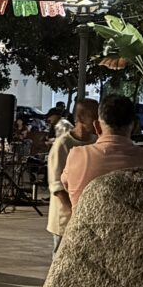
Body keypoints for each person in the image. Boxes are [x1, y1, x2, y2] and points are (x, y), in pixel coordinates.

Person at [61, 94, 143, 207]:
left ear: (97, 126)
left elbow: (65, 185)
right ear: (135, 126)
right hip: (132, 224)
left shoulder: (76, 156)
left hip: (84, 224)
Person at [46, 99, 99, 257]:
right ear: (81, 118)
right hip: (65, 219)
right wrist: (76, 213)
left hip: (88, 220)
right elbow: (57, 187)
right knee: (60, 263)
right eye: (94, 117)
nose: (97, 122)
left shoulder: (96, 142)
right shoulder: (63, 144)